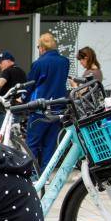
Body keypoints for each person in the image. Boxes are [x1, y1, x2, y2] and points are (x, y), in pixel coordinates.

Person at [25, 33, 69, 172]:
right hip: (58, 107)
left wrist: (24, 101)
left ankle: (31, 173)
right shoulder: (64, 62)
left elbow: (30, 84)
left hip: (40, 108)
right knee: (50, 143)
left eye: (39, 47)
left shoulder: (39, 63)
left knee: (32, 142)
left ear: (42, 47)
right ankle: (46, 172)